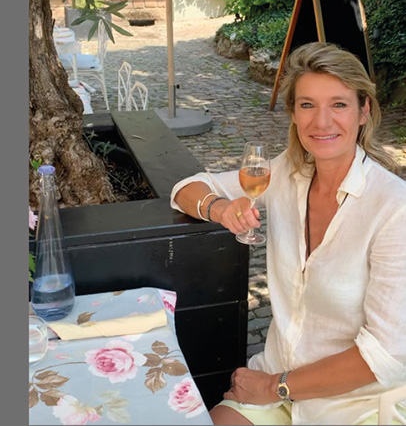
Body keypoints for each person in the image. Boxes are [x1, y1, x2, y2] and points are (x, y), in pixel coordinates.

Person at [170, 42, 406, 424]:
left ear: (364, 111)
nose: (322, 122)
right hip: (276, 384)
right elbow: (187, 188)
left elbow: (386, 355)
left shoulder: (394, 207)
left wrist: (274, 386)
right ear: (293, 113)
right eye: (307, 104)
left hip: (355, 405)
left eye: (339, 104)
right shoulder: (285, 173)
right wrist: (221, 208)